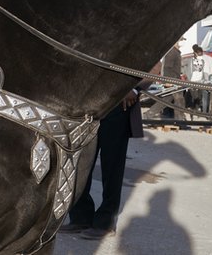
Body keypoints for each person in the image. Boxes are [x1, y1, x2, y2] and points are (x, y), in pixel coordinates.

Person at [61, 83, 148, 240]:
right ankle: (81, 217)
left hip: (117, 106)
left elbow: (155, 66)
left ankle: (105, 222)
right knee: (81, 164)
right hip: (88, 106)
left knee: (112, 166)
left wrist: (134, 89)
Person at [190, 44, 212, 114]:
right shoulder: (210, 58)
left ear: (196, 52)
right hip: (210, 78)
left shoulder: (199, 60)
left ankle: (201, 111)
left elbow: (197, 72)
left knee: (201, 97)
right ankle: (208, 111)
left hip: (202, 80)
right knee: (209, 97)